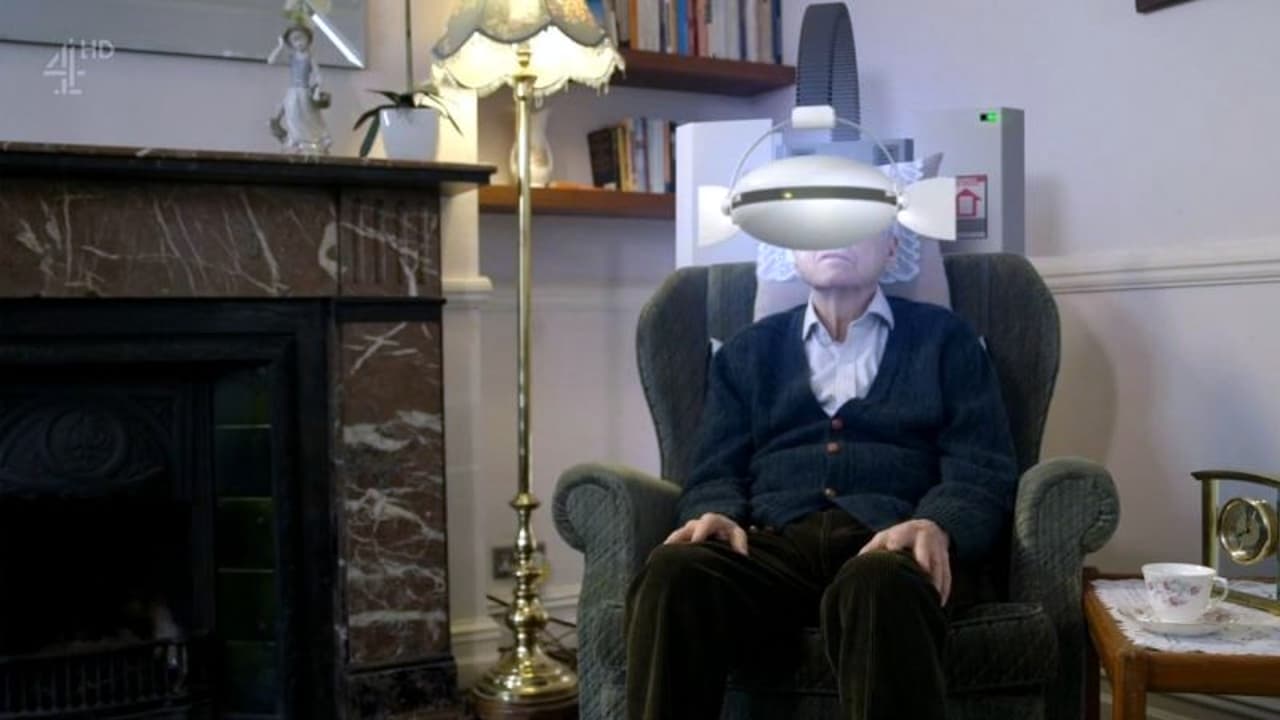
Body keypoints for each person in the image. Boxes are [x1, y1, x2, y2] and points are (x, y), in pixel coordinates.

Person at [624, 231, 1018, 720]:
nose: (836, 235)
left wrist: (938, 522)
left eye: (856, 223)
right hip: (772, 545)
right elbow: (713, 469)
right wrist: (716, 512)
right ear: (793, 249)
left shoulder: (946, 339)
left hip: (891, 545)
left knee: (880, 583)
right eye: (818, 224)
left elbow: (983, 466)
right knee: (674, 571)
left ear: (892, 247)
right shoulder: (746, 352)